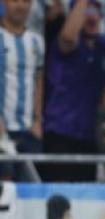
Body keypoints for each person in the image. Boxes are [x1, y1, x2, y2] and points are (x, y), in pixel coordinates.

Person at [41, 0, 105, 182]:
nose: (91, 15)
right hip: (59, 131)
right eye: (85, 11)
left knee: (84, 192)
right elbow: (68, 37)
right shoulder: (64, 43)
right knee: (57, 191)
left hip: (88, 135)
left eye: (95, 10)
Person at [0, 0, 44, 180]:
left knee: (31, 189)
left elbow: (39, 79)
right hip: (2, 128)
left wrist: (37, 118)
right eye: (15, 0)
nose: (21, 6)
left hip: (28, 130)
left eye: (26, 1)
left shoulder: (36, 41)